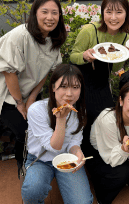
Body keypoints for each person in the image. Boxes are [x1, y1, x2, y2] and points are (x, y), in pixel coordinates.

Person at [0, 0, 65, 176]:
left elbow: (45, 71)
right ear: (35, 13)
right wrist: (21, 103)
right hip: (8, 96)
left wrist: (32, 98)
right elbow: (9, 72)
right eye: (44, 12)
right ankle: (23, 166)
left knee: (39, 127)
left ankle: (39, 162)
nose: (50, 17)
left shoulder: (53, 39)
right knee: (25, 131)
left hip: (29, 93)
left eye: (54, 13)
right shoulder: (20, 36)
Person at [70, 0, 129, 156]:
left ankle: (105, 152)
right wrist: (84, 56)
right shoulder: (89, 31)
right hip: (82, 82)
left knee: (109, 117)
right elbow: (72, 57)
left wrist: (127, 52)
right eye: (109, 12)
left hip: (102, 83)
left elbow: (115, 68)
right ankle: (86, 154)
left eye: (119, 12)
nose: (113, 17)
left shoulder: (124, 36)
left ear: (126, 14)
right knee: (89, 117)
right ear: (103, 13)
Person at [21, 64, 93, 204]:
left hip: (67, 159)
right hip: (40, 160)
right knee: (32, 191)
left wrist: (77, 152)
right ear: (53, 87)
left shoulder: (79, 112)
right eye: (64, 86)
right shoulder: (36, 110)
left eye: (75, 87)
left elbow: (74, 141)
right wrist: (61, 119)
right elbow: (54, 147)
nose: (69, 93)